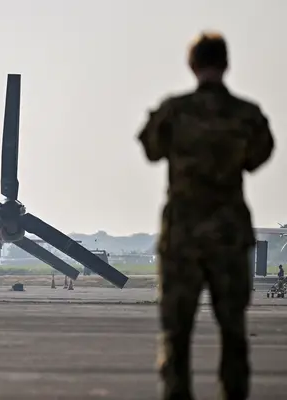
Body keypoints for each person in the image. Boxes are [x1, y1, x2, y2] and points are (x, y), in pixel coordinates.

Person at [137, 31, 274, 400]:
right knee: (233, 330)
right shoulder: (246, 115)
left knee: (176, 332)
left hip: (182, 236)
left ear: (192, 65)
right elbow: (259, 157)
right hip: (228, 235)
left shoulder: (174, 112)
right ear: (226, 64)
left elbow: (150, 149)